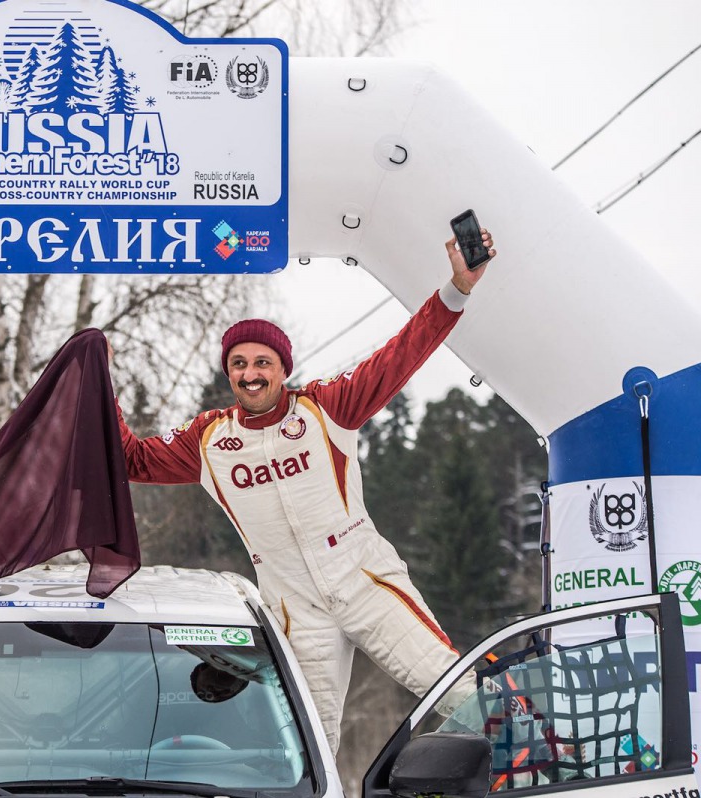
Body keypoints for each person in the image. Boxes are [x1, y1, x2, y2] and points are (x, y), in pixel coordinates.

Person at [114, 231, 496, 753]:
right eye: (239, 364)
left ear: (282, 369)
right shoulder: (209, 440)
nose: (251, 374)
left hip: (365, 584)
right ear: (229, 373)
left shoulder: (325, 409)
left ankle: (554, 761)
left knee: (457, 692)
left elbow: (401, 354)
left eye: (262, 362)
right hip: (297, 610)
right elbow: (131, 460)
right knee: (305, 749)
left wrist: (456, 288)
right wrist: (99, 384)